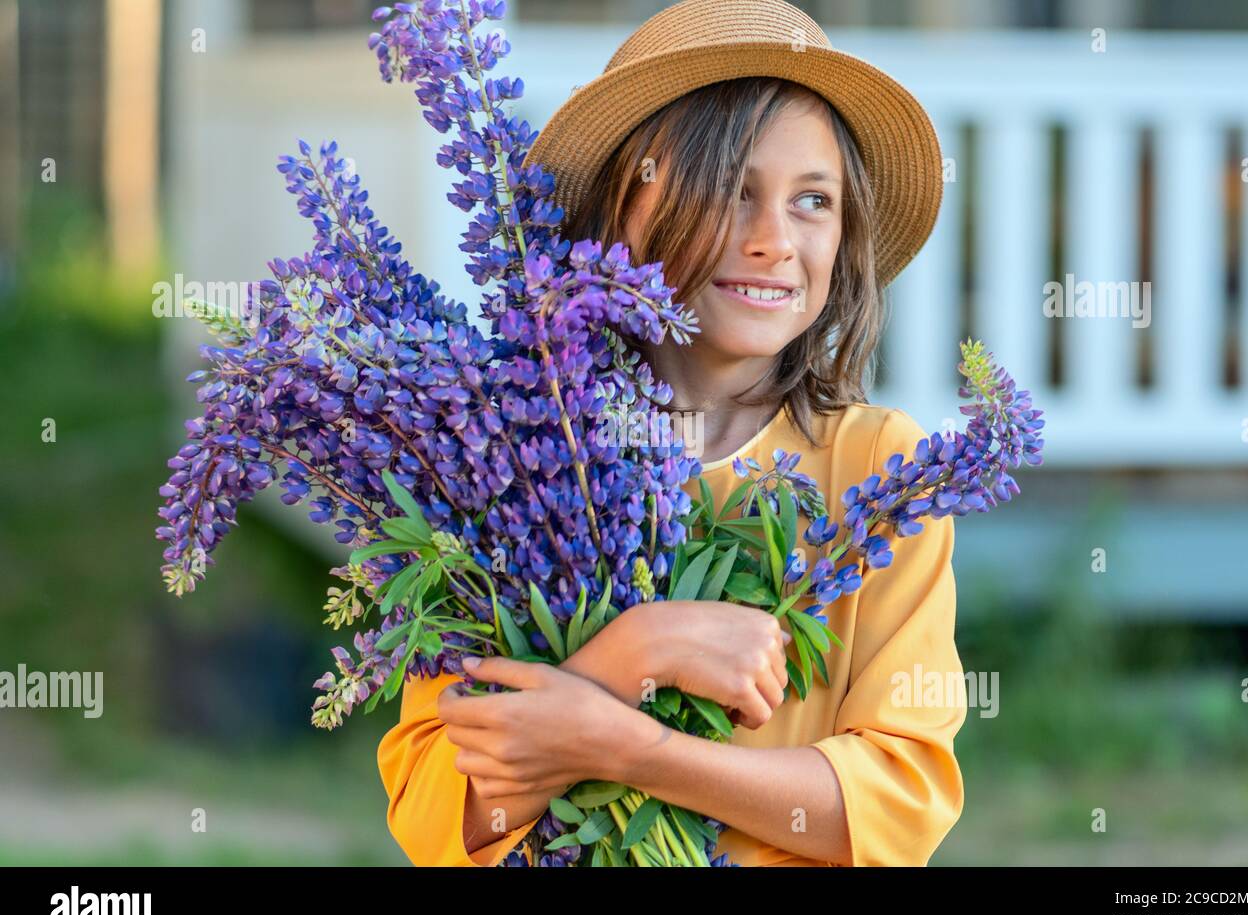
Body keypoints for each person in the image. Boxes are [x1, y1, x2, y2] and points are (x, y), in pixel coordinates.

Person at [377, 0, 966, 867]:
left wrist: (625, 747)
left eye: (813, 200)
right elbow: (444, 817)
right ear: (624, 210)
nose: (773, 240)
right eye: (731, 192)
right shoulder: (506, 458)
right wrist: (633, 653)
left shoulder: (880, 469)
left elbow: (895, 806)